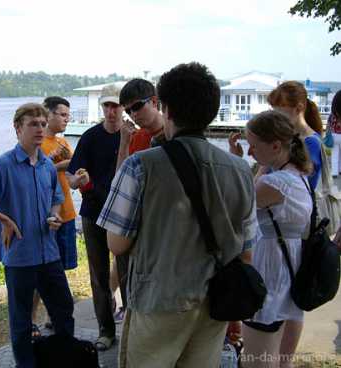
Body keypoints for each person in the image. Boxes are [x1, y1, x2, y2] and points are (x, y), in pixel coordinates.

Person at [98, 62, 258, 367]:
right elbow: (246, 250)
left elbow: (116, 244)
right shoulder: (240, 170)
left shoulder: (140, 166)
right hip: (213, 302)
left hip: (157, 300)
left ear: (165, 108)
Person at [0, 103, 74, 368]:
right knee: (21, 322)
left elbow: (56, 198)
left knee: (64, 311)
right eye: (33, 124)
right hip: (21, 257)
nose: (39, 129)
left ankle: (65, 359)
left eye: (43, 124)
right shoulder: (3, 165)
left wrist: (55, 216)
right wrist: (3, 218)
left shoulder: (47, 165)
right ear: (18, 128)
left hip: (49, 253)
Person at [230, 110, 313, 368]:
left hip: (268, 269)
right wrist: (263, 164)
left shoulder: (277, 184)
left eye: (254, 146)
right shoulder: (297, 177)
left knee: (257, 359)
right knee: (274, 357)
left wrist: (236, 162)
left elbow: (235, 203)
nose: (250, 151)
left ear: (276, 145)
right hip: (286, 267)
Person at [66, 84, 124, 351]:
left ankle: (132, 327)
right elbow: (70, 178)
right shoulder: (90, 137)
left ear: (124, 108)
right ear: (102, 108)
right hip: (93, 214)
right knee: (98, 276)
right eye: (107, 106)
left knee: (128, 273)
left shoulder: (131, 136)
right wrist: (77, 180)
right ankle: (106, 330)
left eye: (116, 106)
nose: (111, 112)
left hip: (124, 217)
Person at [110, 78, 166, 322]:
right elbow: (120, 181)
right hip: (142, 228)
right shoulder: (138, 137)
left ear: (154, 101)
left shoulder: (174, 133)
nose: (133, 114)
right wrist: (124, 142)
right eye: (128, 110)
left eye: (137, 107)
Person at [31, 96, 78, 334]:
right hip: (47, 218)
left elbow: (71, 175)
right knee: (42, 272)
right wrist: (58, 164)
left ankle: (52, 316)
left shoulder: (64, 144)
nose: (66, 119)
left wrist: (77, 179)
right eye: (62, 114)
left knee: (59, 271)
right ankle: (30, 319)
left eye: (68, 116)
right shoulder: (38, 143)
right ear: (47, 114)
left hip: (67, 214)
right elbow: (36, 172)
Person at [267, 81, 323, 190]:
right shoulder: (286, 137)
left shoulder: (311, 143)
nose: (275, 120)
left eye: (279, 114)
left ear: (298, 108)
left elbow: (300, 186)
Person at [327, 91, 341, 176]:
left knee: (335, 154)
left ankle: (334, 172)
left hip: (334, 136)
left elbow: (328, 125)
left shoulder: (333, 114)